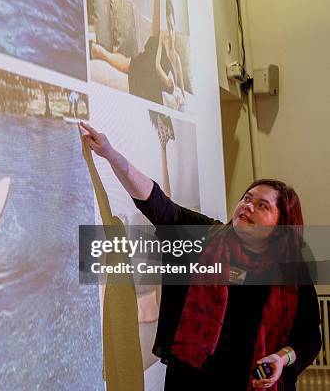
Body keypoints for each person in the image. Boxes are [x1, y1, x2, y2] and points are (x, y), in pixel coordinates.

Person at [79, 121, 321, 391]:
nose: (247, 206)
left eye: (262, 205)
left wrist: (281, 358)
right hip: (191, 382)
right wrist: (111, 155)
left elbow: (309, 336)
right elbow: (158, 204)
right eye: (247, 198)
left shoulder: (291, 274)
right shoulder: (206, 236)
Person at [90, 0, 186, 109]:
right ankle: (98, 50)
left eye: (172, 26)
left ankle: (100, 51)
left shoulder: (175, 57)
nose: (170, 31)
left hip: (152, 78)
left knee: (126, 62)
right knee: (119, 60)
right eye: (168, 26)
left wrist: (179, 96)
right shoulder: (158, 37)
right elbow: (157, 4)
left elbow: (179, 87)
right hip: (142, 66)